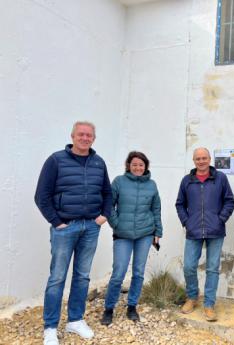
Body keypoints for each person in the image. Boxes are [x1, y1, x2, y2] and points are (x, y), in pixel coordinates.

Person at [35, 121, 112, 345]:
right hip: (65, 228)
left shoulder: (99, 162)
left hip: (90, 227)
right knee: (57, 278)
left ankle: (75, 320)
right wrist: (57, 222)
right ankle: (50, 327)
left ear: (93, 139)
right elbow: (42, 195)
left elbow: (107, 192)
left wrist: (103, 216)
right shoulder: (56, 160)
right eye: (81, 134)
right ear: (72, 136)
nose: (85, 138)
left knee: (82, 276)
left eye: (89, 135)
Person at [101, 151, 163, 326]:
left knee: (138, 272)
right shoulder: (119, 182)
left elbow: (156, 209)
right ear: (128, 165)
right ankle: (109, 308)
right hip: (123, 234)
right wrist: (116, 223)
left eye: (141, 165)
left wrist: (158, 231)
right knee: (118, 272)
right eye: (134, 164)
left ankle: (132, 306)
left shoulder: (152, 185)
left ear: (146, 167)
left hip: (145, 234)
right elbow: (108, 205)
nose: (138, 167)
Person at [175, 147, 234, 322]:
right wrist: (187, 221)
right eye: (197, 158)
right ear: (194, 161)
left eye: (204, 158)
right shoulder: (187, 181)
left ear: (209, 159)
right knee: (189, 266)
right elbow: (179, 204)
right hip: (193, 230)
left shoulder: (220, 178)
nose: (201, 161)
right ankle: (192, 297)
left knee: (212, 268)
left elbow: (229, 200)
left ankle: (209, 304)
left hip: (215, 230)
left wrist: (220, 219)